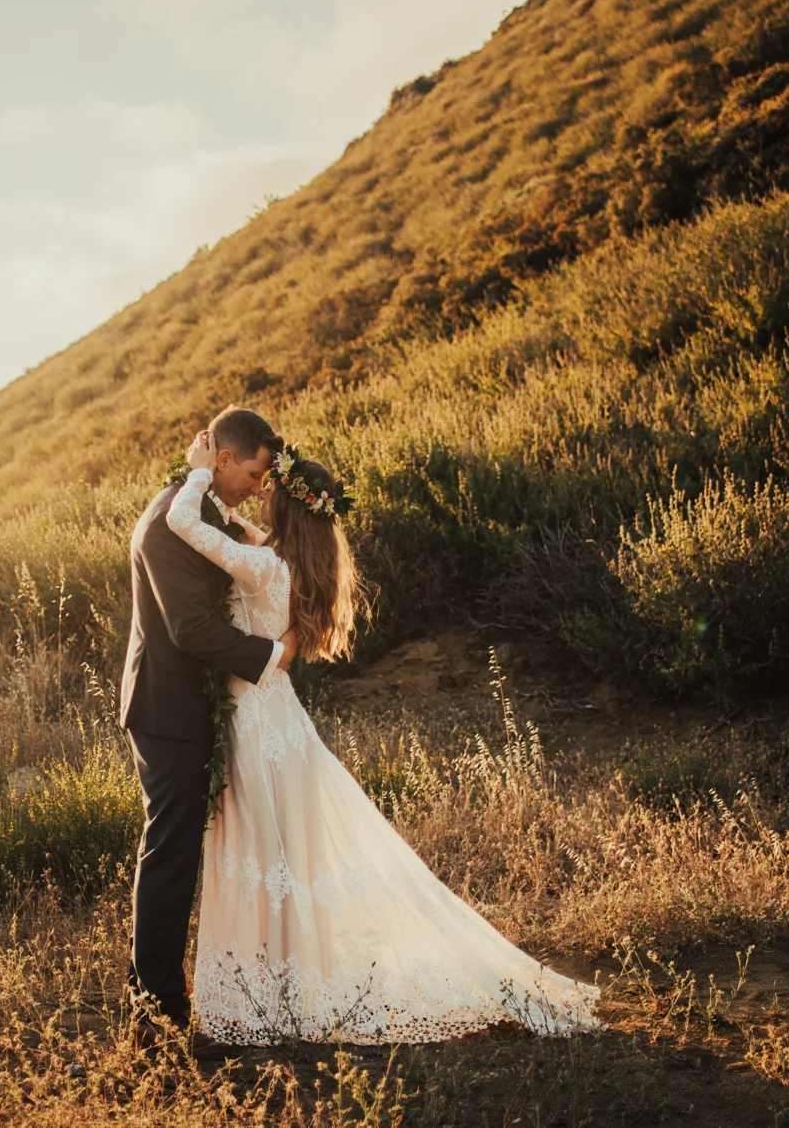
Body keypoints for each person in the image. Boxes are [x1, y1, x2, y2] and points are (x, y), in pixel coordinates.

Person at [166, 427, 601, 1044]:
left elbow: (185, 523)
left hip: (258, 722)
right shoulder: (284, 560)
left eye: (270, 488)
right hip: (279, 719)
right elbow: (243, 543)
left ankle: (263, 996)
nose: (260, 492)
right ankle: (282, 988)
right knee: (280, 857)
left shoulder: (263, 564)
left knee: (261, 855)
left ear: (284, 504)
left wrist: (197, 471)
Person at [118, 405, 296, 1055]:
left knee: (182, 854)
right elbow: (191, 630)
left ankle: (170, 997)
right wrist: (272, 657)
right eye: (252, 471)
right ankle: (156, 1016)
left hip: (192, 707)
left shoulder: (203, 513)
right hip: (168, 712)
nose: (258, 484)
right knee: (170, 857)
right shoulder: (171, 524)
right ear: (220, 459)